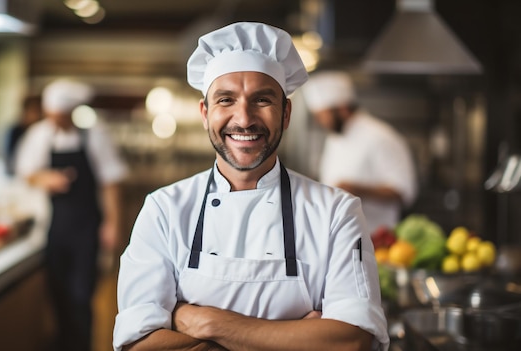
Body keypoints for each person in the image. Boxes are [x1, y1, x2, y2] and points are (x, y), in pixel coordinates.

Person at [113, 22, 389, 351]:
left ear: (286, 113)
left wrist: (206, 322)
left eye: (262, 100)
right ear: (205, 113)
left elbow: (350, 340)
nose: (244, 119)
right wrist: (294, 337)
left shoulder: (337, 212)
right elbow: (138, 343)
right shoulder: (164, 210)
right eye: (226, 100)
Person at [14, 78, 128, 351]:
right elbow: (26, 173)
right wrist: (47, 179)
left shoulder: (94, 135)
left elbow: (111, 182)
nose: (55, 122)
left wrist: (113, 224)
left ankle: (81, 344)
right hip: (54, 228)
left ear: (71, 113)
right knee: (57, 294)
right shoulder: (40, 135)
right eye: (51, 116)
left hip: (87, 227)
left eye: (60, 117)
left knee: (81, 295)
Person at [301, 71, 418, 234]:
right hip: (340, 235)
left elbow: (403, 192)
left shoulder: (381, 136)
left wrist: (357, 189)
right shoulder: (334, 138)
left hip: (375, 238)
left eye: (322, 115)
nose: (319, 122)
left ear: (341, 108)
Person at [5, 95, 42, 175]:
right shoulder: (15, 131)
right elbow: (9, 160)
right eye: (34, 111)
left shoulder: (42, 132)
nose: (37, 115)